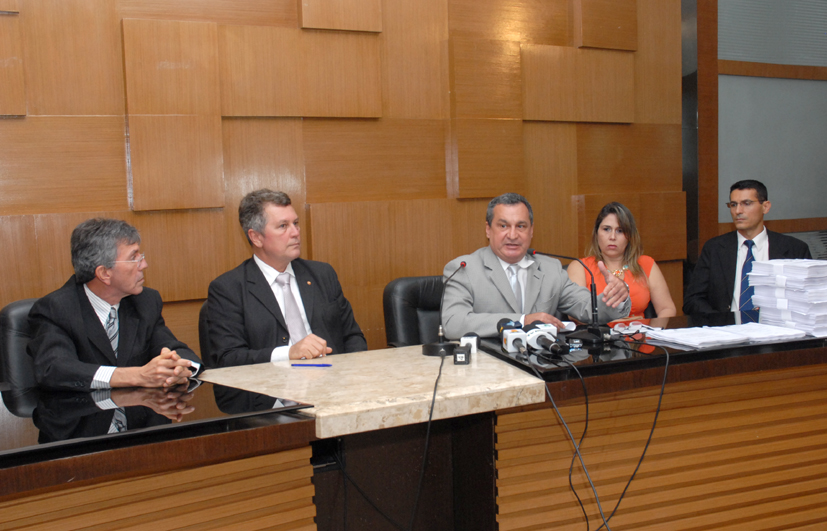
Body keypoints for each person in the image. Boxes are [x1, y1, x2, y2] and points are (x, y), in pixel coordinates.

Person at [28, 218, 201, 392]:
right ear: (104, 273)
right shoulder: (55, 309)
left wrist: (179, 368)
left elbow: (172, 348)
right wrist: (136, 375)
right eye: (133, 258)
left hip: (138, 405)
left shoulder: (145, 301)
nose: (144, 265)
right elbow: (55, 369)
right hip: (81, 407)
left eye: (140, 256)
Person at [207, 189, 366, 367]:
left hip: (333, 379)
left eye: (295, 223)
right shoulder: (228, 289)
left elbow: (353, 337)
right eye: (283, 226)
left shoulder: (322, 274)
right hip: (272, 383)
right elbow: (229, 358)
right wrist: (287, 354)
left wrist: (350, 374)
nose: (295, 232)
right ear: (256, 237)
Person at [441, 193, 631, 339]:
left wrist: (616, 297)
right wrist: (522, 321)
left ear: (531, 231)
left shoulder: (550, 269)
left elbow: (588, 308)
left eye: (521, 226)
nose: (513, 235)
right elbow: (453, 324)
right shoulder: (463, 269)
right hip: (491, 368)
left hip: (543, 366)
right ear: (488, 230)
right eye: (503, 226)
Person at [683, 179, 812, 315]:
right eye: (733, 205)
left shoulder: (794, 249)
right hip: (727, 325)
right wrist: (723, 321)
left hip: (776, 325)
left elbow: (809, 299)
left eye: (746, 203)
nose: (738, 211)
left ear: (765, 207)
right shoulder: (714, 248)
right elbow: (692, 300)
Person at [568, 202, 676, 321]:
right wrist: (620, 323)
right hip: (600, 333)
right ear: (596, 233)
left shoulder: (646, 264)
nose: (612, 237)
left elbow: (667, 309)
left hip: (641, 332)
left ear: (630, 236)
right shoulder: (580, 267)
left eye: (620, 231)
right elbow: (574, 314)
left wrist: (654, 331)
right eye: (606, 229)